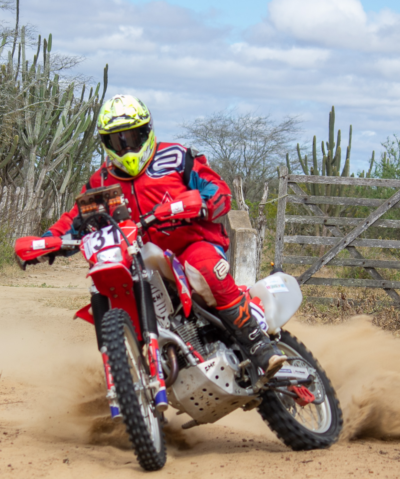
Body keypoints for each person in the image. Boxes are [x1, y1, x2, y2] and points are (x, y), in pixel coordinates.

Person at [42, 94, 286, 376]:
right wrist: (47, 241)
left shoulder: (175, 157)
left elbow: (217, 189)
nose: (126, 147)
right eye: (117, 141)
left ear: (146, 132)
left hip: (190, 245)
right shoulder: (103, 181)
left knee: (206, 268)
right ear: (106, 143)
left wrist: (205, 204)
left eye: (132, 137)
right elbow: (75, 219)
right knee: (109, 290)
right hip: (139, 257)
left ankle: (262, 348)